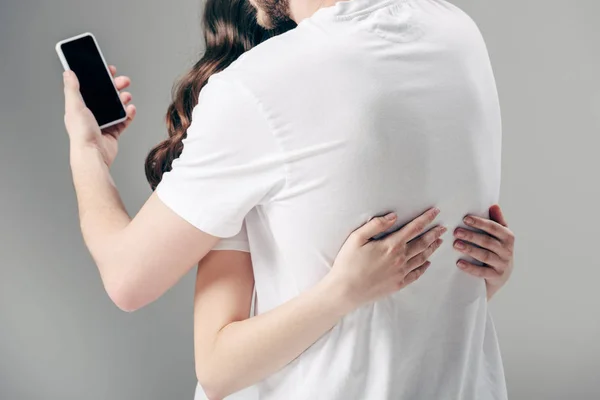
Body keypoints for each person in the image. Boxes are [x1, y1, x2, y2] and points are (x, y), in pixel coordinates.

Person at [61, 0, 516, 399]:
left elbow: (128, 279)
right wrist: (472, 286)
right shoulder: (458, 34)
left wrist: (88, 153)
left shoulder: (258, 86)